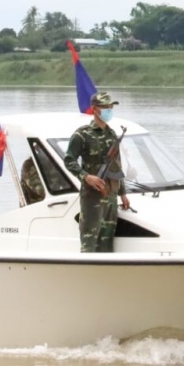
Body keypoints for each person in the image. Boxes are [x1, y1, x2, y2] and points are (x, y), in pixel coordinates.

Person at [64, 91, 131, 252]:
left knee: (107, 245)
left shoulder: (112, 133)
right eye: (105, 107)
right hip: (92, 196)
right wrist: (86, 177)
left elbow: (117, 166)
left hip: (111, 195)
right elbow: (69, 160)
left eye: (110, 107)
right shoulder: (83, 134)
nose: (109, 110)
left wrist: (123, 193)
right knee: (89, 243)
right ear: (94, 109)